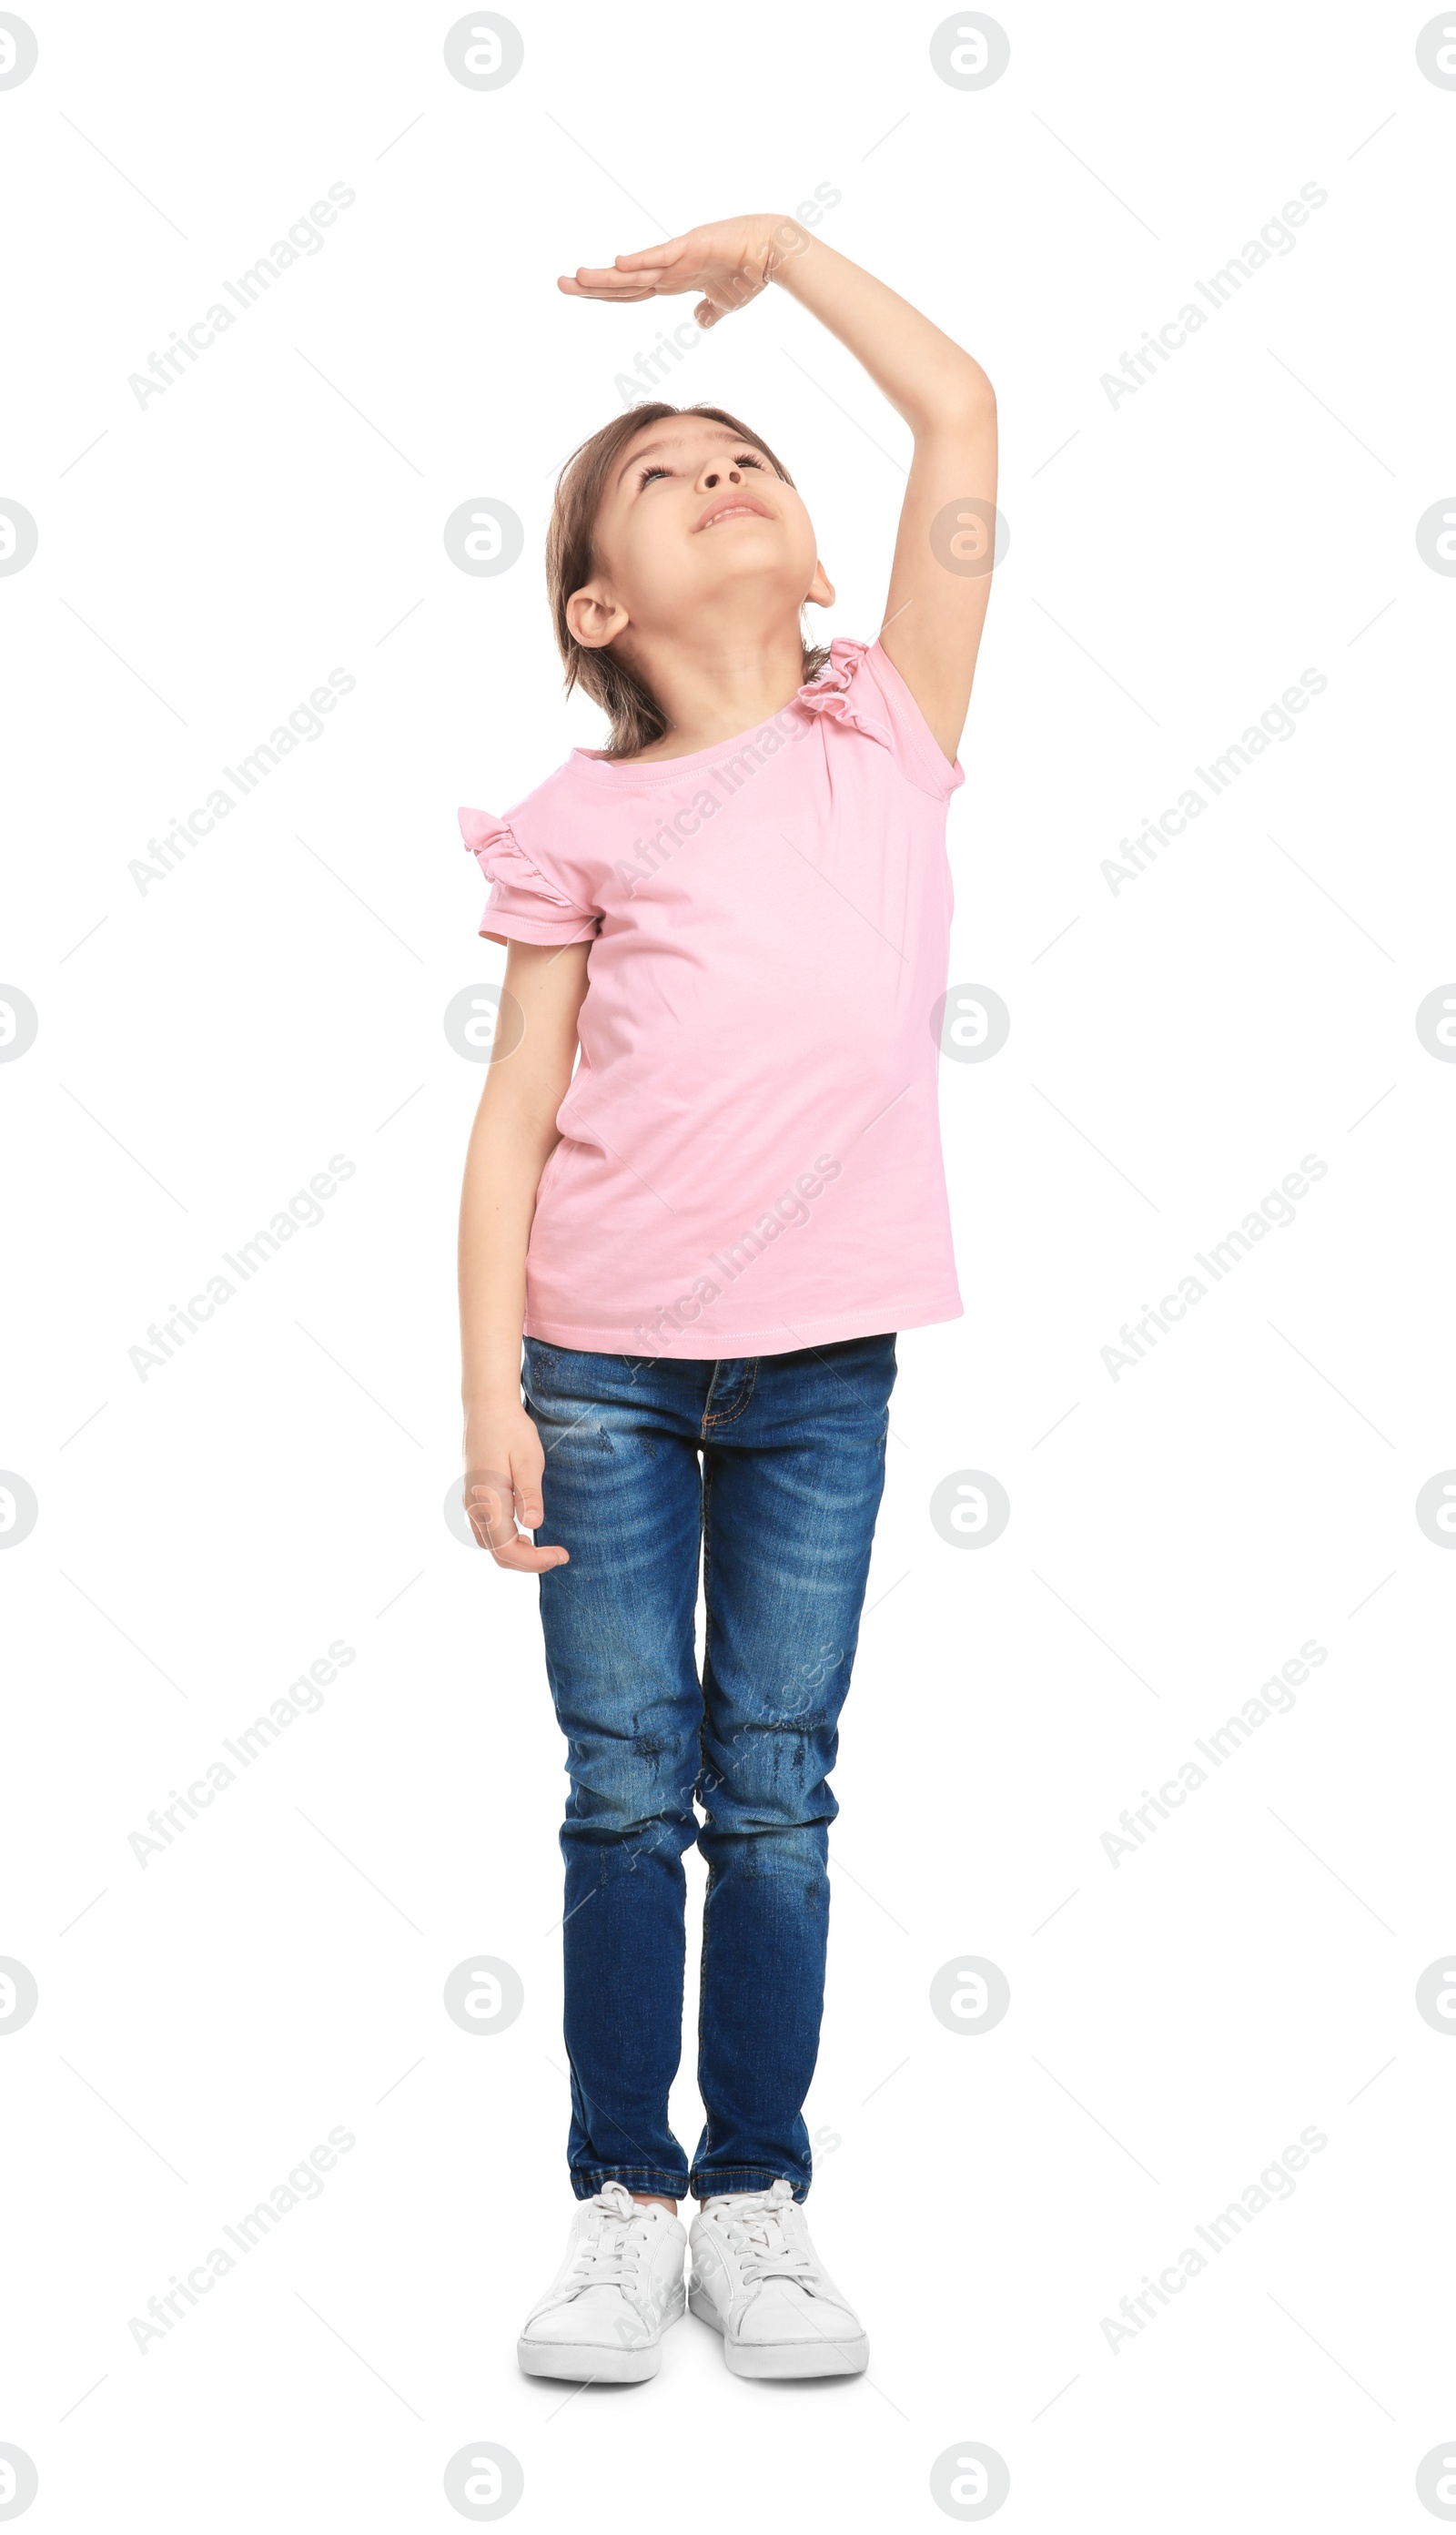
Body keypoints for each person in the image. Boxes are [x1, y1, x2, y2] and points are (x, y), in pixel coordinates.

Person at [456, 211, 997, 2382]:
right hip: (592, 1361)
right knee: (624, 1782)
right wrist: (489, 1384)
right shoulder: (578, 820)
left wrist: (784, 253)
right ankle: (618, 2198)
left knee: (772, 1778)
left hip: (815, 1377)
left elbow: (954, 410)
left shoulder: (889, 732)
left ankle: (751, 2195)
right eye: (664, 478)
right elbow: (512, 1116)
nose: (724, 473)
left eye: (745, 454)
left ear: (813, 561)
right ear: (599, 605)